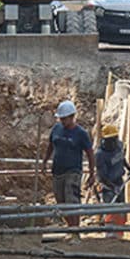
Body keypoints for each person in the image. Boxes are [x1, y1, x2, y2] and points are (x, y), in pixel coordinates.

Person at [42, 100, 95, 239]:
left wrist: (91, 173)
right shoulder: (56, 129)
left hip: (73, 171)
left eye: (64, 118)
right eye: (61, 118)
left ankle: (75, 233)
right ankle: (71, 229)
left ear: (72, 117)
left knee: (72, 201)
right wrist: (45, 161)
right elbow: (50, 146)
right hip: (57, 171)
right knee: (61, 202)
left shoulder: (81, 133)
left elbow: (90, 153)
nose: (62, 121)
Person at [95, 125, 130, 204]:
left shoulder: (118, 145)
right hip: (108, 187)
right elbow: (102, 177)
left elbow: (121, 158)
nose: (114, 141)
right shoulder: (100, 155)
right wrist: (113, 187)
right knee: (111, 211)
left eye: (115, 138)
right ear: (105, 139)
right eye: (111, 139)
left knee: (121, 208)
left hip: (119, 181)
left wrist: (129, 168)